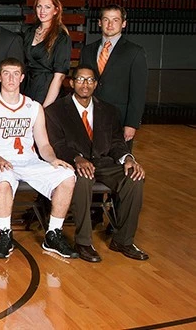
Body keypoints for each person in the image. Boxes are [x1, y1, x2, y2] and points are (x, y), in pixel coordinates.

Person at [0, 58, 79, 259]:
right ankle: (6, 234)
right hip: (2, 161)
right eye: (6, 73)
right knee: (3, 181)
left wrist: (52, 159)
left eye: (16, 73)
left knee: (67, 175)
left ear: (22, 77)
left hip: (29, 161)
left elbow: (44, 144)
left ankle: (53, 234)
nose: (11, 78)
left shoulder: (34, 107)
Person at [45, 65, 147, 262]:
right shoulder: (55, 111)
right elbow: (57, 145)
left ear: (96, 84)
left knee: (134, 178)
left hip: (104, 162)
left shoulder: (109, 110)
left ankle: (123, 240)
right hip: (74, 163)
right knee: (83, 178)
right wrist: (77, 158)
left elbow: (117, 142)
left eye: (90, 80)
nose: (86, 84)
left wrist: (127, 159)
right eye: (81, 79)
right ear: (71, 83)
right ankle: (83, 242)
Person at [79, 5, 147, 146]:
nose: (110, 24)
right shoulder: (87, 50)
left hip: (119, 120)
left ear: (123, 23)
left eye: (115, 20)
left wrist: (132, 123)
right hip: (90, 117)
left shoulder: (134, 52)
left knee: (118, 163)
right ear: (99, 22)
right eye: (106, 20)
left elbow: (138, 92)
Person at [22, 0, 71, 107]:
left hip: (47, 91)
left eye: (47, 7)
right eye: (39, 6)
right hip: (27, 87)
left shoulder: (61, 37)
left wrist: (46, 107)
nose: (42, 11)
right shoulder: (29, 32)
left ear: (56, 10)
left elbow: (59, 77)